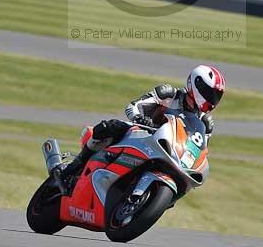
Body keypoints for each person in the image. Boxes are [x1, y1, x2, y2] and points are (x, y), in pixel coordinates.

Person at [62, 64, 226, 179]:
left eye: (216, 96)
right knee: (110, 126)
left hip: (172, 155)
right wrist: (139, 118)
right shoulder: (168, 94)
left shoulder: (205, 123)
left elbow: (199, 151)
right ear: (195, 85)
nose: (212, 100)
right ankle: (76, 164)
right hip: (143, 134)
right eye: (209, 93)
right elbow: (133, 106)